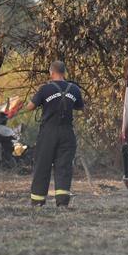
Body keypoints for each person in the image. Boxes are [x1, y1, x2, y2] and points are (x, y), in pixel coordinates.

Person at [26, 60, 85, 207]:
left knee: (42, 166)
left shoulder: (45, 89)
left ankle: (38, 201)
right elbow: (80, 107)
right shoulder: (74, 89)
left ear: (51, 72)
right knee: (64, 167)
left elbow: (30, 107)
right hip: (67, 132)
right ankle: (62, 202)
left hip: (48, 133)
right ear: (64, 72)